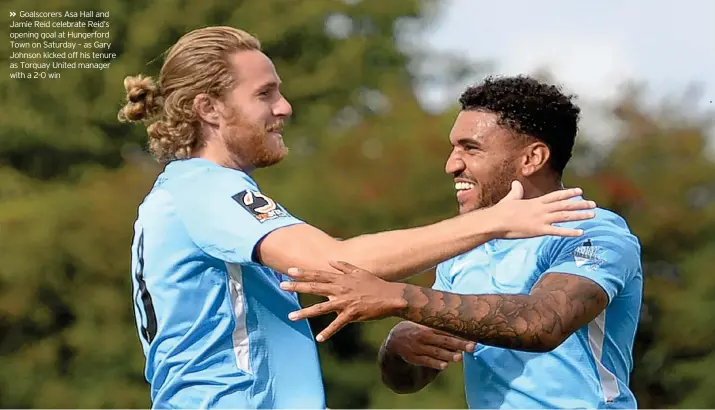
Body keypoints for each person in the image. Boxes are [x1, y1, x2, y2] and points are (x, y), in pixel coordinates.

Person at [118, 26, 596, 409]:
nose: (284, 107)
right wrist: (493, 221)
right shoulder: (206, 188)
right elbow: (336, 264)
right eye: (265, 94)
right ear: (209, 109)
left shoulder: (187, 192)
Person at [280, 75, 643, 409]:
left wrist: (396, 297)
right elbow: (406, 381)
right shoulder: (468, 243)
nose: (451, 165)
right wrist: (400, 349)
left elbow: (543, 322)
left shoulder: (594, 233)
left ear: (532, 158)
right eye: (454, 148)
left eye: (471, 149)